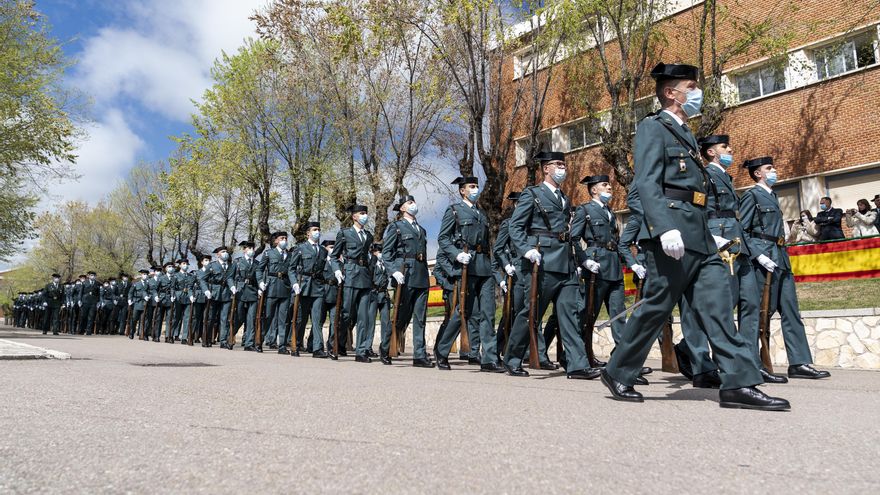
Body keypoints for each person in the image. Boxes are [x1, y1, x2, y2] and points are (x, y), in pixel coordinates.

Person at [600, 62, 789, 410]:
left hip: (700, 233)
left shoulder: (685, 132)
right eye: (691, 86)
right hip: (672, 230)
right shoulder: (652, 128)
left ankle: (738, 383)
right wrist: (663, 226)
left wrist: (709, 231)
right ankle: (618, 370)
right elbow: (646, 183)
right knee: (657, 306)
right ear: (672, 93)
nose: (697, 93)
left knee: (717, 307)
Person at [503, 151, 599, 380]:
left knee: (569, 314)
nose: (562, 168)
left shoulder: (564, 198)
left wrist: (579, 259)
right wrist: (526, 249)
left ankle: (577, 365)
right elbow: (515, 227)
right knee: (531, 313)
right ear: (546, 168)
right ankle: (513, 359)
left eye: (563, 164)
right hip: (542, 262)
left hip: (565, 262)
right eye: (558, 164)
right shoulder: (532, 194)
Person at [740, 156, 831, 380]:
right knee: (761, 314)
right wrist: (758, 254)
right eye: (769, 168)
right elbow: (741, 230)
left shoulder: (773, 195)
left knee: (791, 310)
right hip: (764, 259)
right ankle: (754, 364)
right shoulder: (752, 195)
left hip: (781, 257)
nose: (774, 171)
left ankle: (799, 362)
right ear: (758, 173)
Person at [571, 174, 626, 359]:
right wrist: (584, 260)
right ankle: (580, 355)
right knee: (589, 313)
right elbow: (574, 238)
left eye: (609, 184)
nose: (609, 187)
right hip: (597, 265)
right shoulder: (584, 210)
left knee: (619, 314)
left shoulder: (610, 211)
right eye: (605, 185)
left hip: (614, 266)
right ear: (594, 189)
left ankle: (622, 359)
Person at [381, 195, 434, 367]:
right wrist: (394, 271)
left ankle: (419, 355)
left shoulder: (422, 230)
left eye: (414, 201)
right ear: (402, 208)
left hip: (420, 276)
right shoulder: (396, 227)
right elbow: (387, 254)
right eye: (410, 203)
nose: (414, 205)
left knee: (420, 318)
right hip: (405, 274)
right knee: (400, 317)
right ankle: (385, 347)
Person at [330, 204, 376, 362]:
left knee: (363, 316)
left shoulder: (369, 235)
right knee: (346, 313)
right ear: (354, 216)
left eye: (365, 213)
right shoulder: (345, 233)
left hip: (365, 276)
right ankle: (335, 343)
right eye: (361, 213)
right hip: (350, 274)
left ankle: (361, 351)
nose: (364, 216)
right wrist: (337, 270)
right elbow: (334, 256)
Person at [289, 224, 330, 358]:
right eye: (314, 230)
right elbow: (292, 268)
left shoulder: (323, 251)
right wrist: (294, 283)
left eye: (318, 230)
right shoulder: (300, 248)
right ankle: (297, 343)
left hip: (318, 287)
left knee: (317, 319)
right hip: (304, 286)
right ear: (308, 233)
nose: (317, 232)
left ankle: (318, 348)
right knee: (301, 319)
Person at [258, 232, 293, 353]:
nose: (284, 240)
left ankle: (282, 345)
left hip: (285, 287)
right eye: (282, 238)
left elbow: (292, 270)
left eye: (285, 238)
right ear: (276, 241)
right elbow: (260, 269)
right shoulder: (268, 253)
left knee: (283, 319)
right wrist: (261, 282)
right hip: (272, 287)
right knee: (268, 316)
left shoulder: (289, 255)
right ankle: (260, 341)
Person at [171, 260, 193, 344]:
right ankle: (171, 334)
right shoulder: (175, 275)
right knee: (176, 317)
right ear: (180, 265)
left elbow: (190, 287)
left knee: (187, 318)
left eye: (187, 264)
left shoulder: (190, 276)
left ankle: (184, 337)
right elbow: (172, 287)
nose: (186, 265)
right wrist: (172, 295)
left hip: (187, 297)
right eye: (184, 264)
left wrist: (191, 295)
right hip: (178, 296)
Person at [127, 270, 150, 339]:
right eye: (143, 274)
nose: (145, 276)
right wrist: (129, 300)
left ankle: (143, 334)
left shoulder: (148, 284)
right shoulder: (136, 283)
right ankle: (131, 332)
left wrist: (149, 297)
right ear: (141, 275)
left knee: (144, 320)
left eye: (146, 274)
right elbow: (130, 292)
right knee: (134, 319)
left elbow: (151, 292)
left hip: (145, 303)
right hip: (137, 303)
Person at [78, 271, 101, 335]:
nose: (92, 276)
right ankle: (81, 330)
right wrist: (79, 300)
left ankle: (89, 331)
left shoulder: (97, 283)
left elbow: (98, 294)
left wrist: (98, 301)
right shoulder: (84, 282)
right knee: (83, 316)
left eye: (94, 275)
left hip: (93, 302)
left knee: (91, 317)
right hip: (85, 301)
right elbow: (81, 292)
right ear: (88, 276)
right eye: (91, 275)